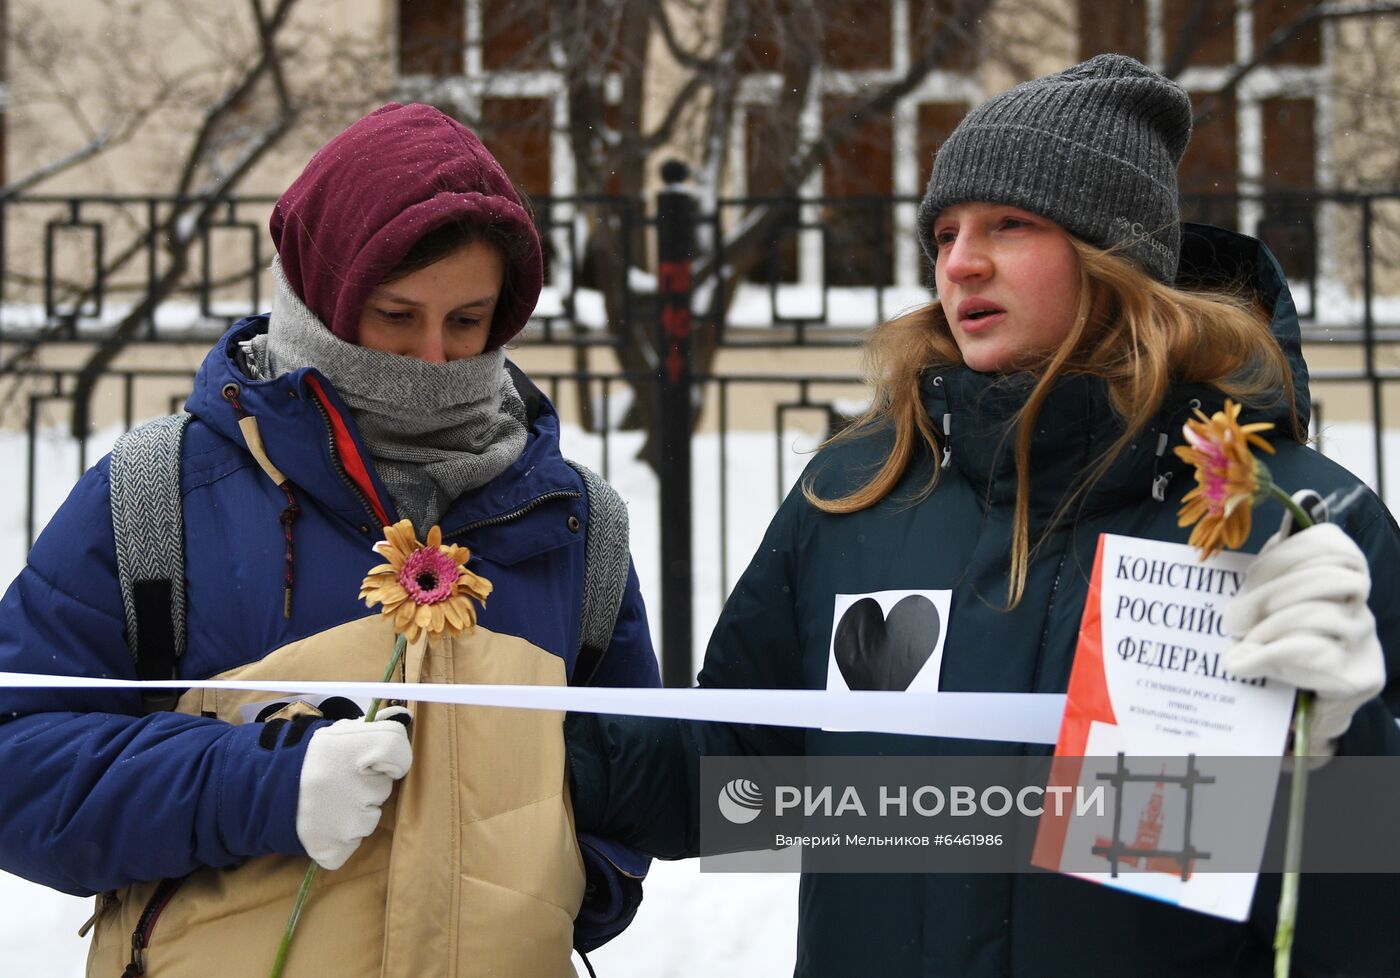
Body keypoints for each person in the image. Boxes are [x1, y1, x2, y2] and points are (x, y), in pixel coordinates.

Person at [564, 55, 1400, 976]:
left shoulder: (1285, 519)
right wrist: (510, 746)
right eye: (947, 230)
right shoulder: (859, 494)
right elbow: (743, 784)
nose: (960, 261)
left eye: (1011, 224)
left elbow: (1356, 907)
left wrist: (1343, 753)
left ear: (1113, 258)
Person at [0, 103, 659, 977]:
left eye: (467, 322)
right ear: (319, 297)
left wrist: (579, 878)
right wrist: (260, 783)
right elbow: (17, 763)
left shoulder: (576, 523)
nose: (432, 360)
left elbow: (630, 774)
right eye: (395, 316)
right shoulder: (157, 494)